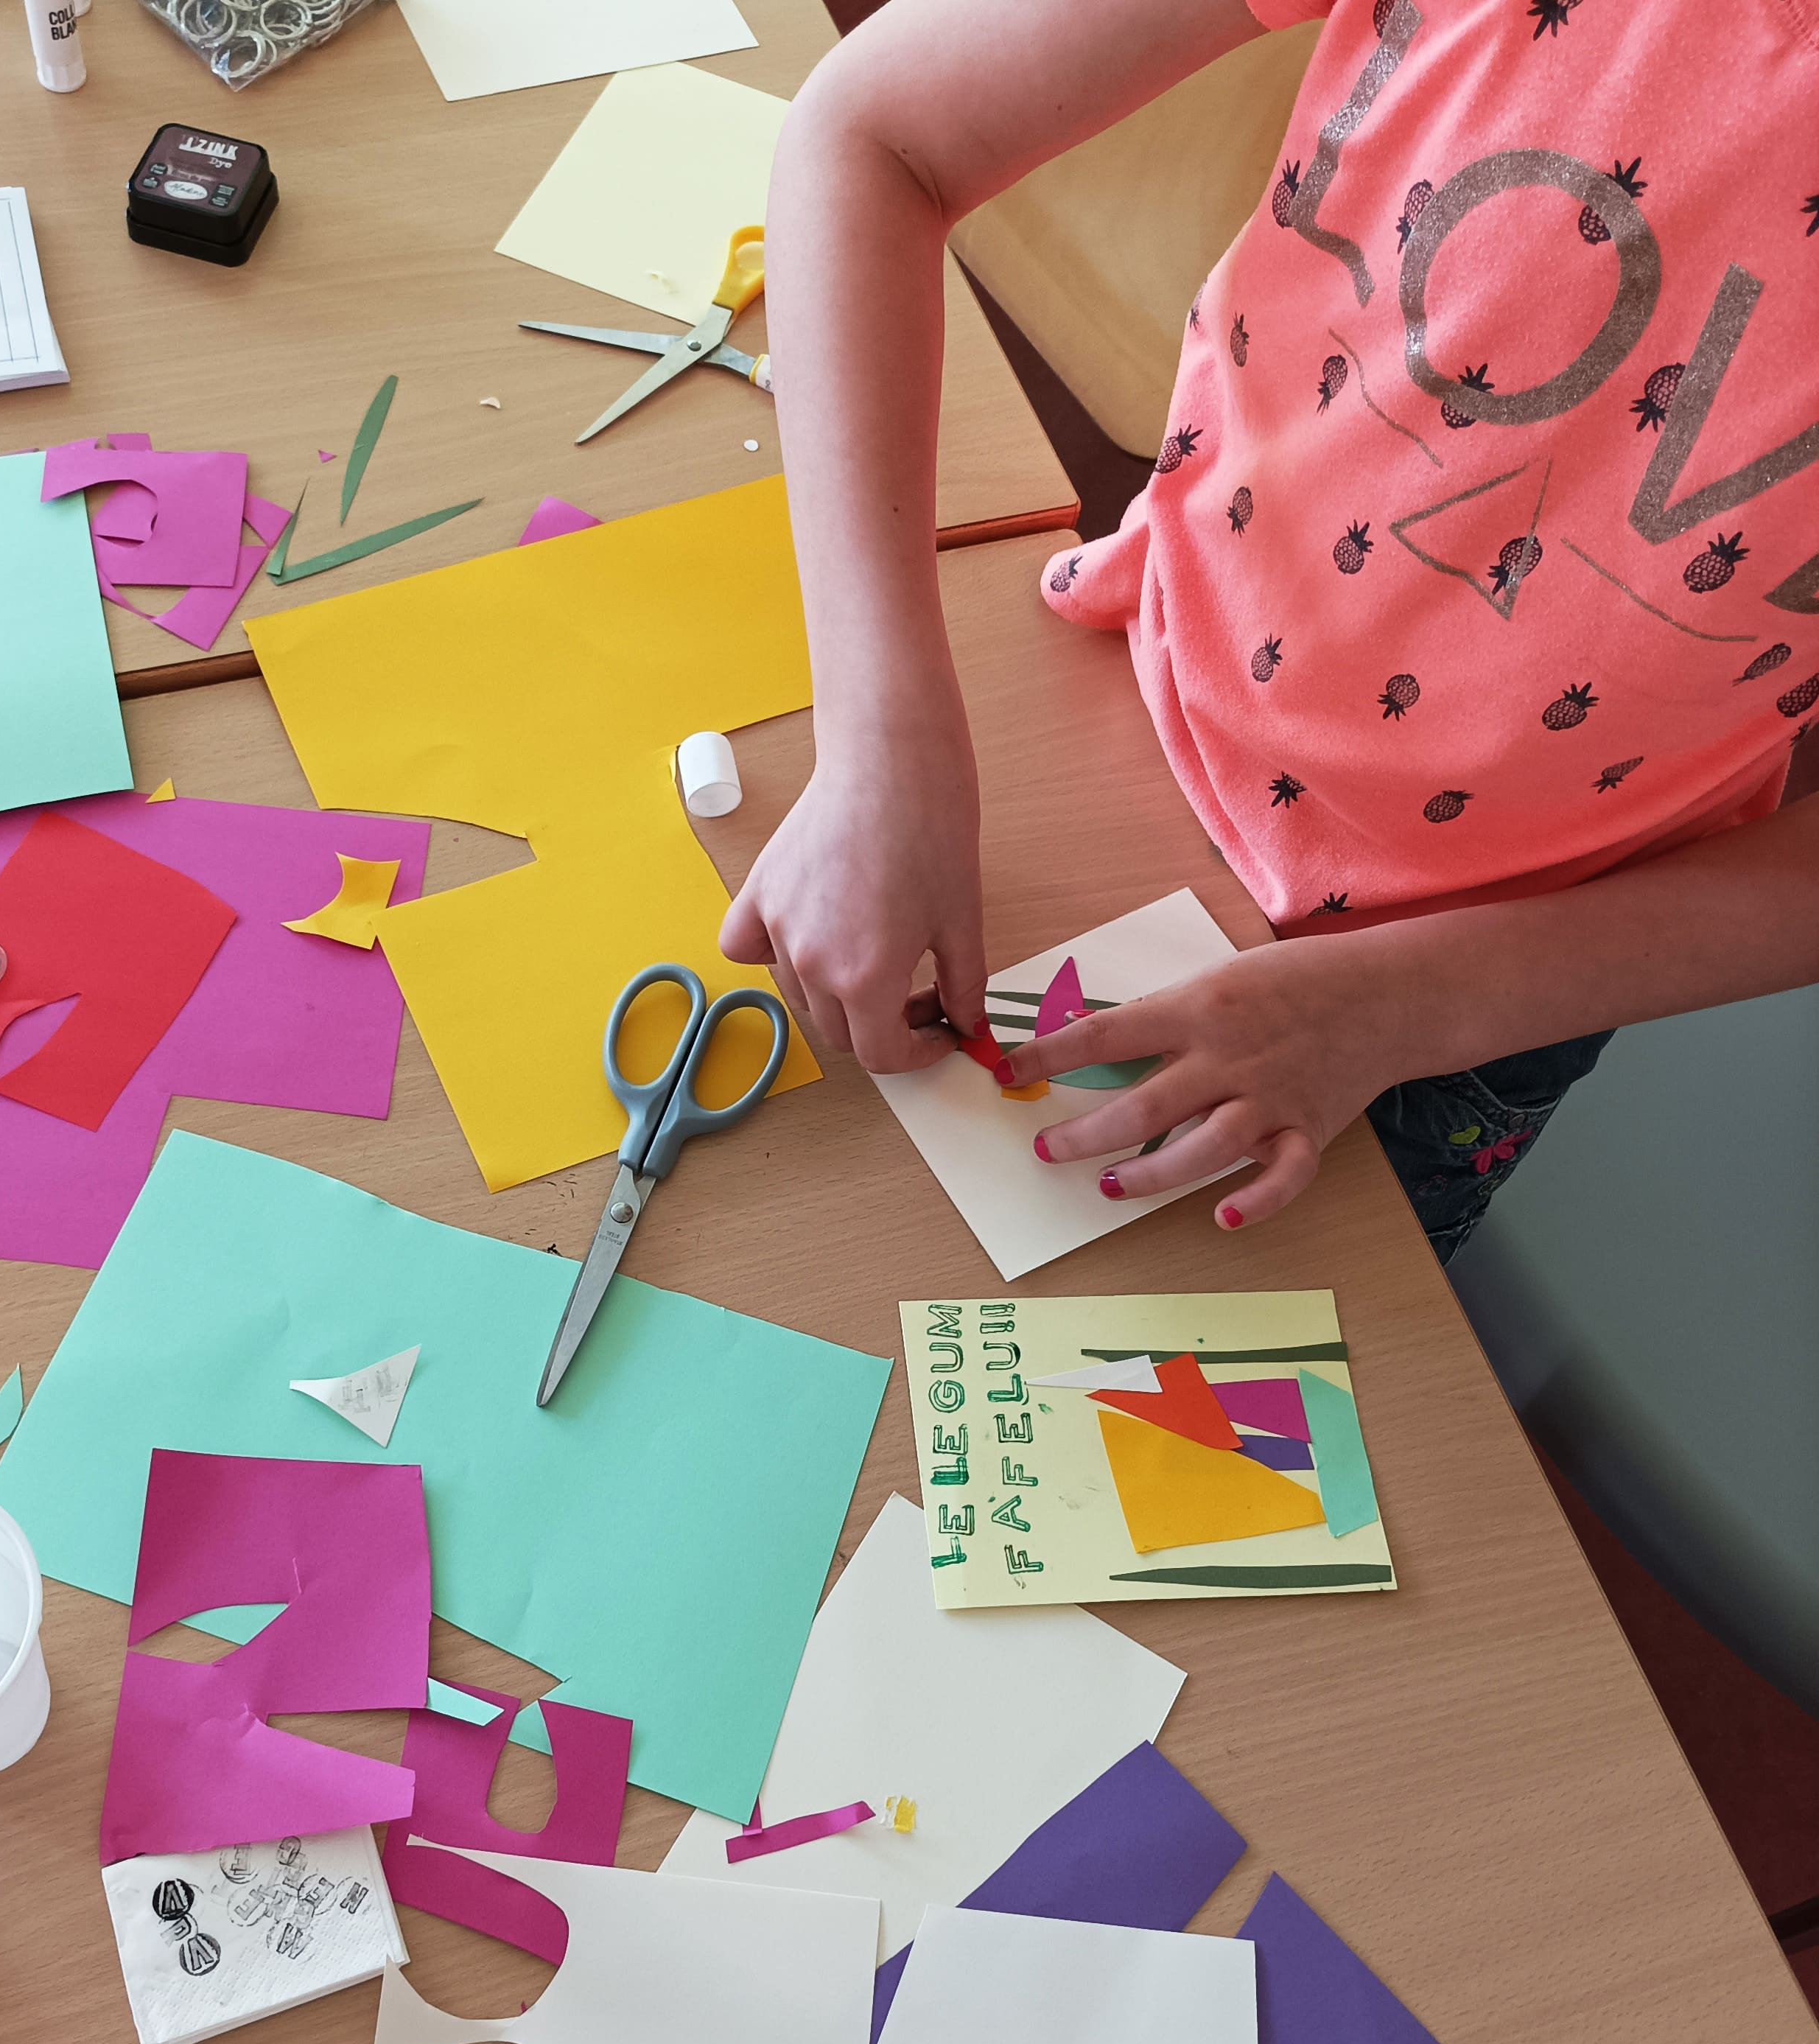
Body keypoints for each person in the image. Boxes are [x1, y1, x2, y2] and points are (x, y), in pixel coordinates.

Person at [716, 0, 1819, 1259]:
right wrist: (880, 740)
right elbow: (871, 135)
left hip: (1469, 1001)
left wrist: (1413, 1002)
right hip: (1117, 707)